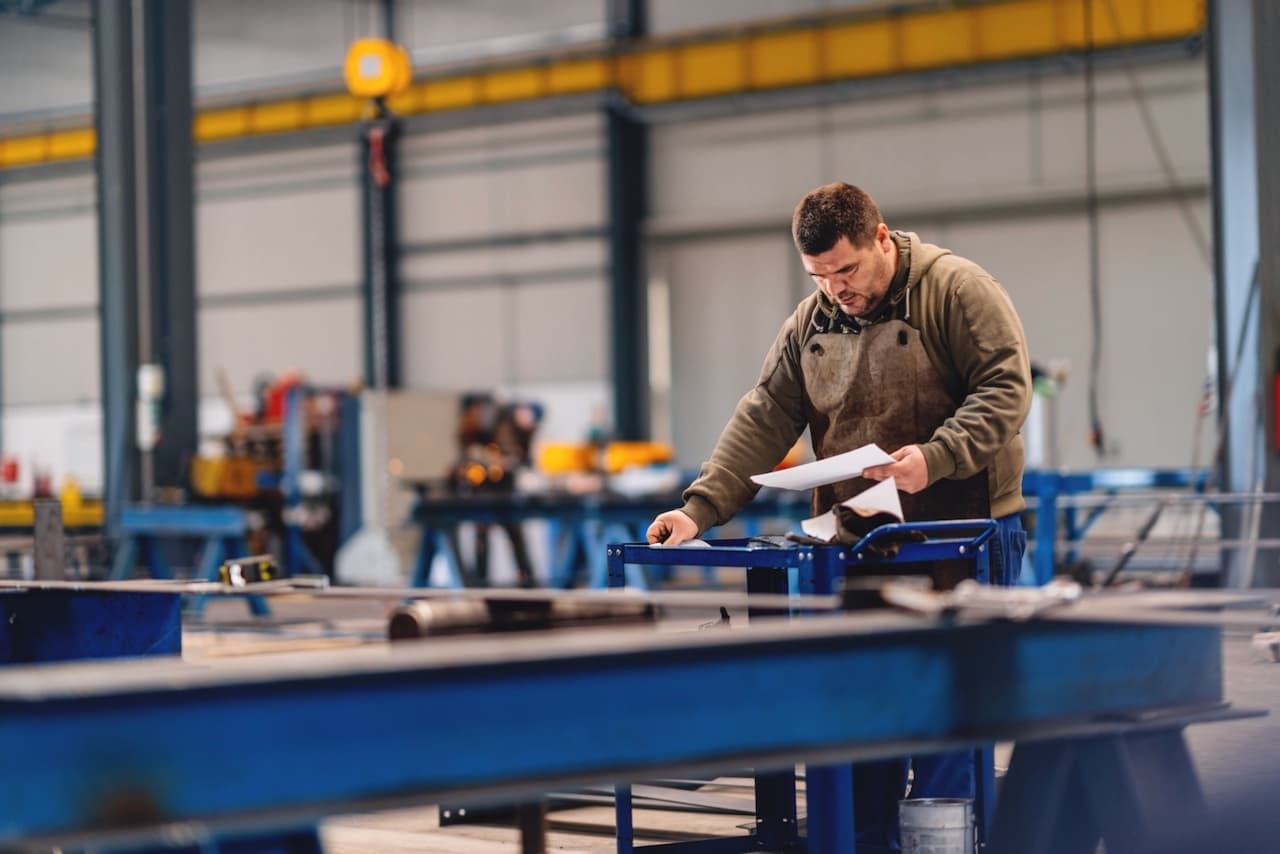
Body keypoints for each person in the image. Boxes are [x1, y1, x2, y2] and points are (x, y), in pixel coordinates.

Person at [647, 182, 1031, 849]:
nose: (836, 290)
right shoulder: (811, 323)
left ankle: (941, 840)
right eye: (819, 276)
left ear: (881, 237)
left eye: (846, 270)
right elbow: (764, 417)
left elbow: (1006, 389)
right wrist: (698, 509)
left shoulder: (956, 291)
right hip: (858, 543)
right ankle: (864, 837)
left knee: (945, 710)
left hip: (963, 537)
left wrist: (935, 459)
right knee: (862, 709)